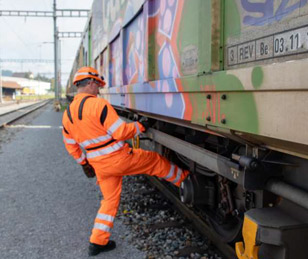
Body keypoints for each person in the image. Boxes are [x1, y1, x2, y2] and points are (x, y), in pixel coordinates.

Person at [62, 66, 189, 256]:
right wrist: (140, 126)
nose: (99, 90)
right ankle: (185, 181)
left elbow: (70, 145)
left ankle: (97, 242)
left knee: (109, 201)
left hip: (99, 167)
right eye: (98, 85)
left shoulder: (68, 115)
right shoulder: (99, 105)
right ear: (90, 83)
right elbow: (120, 132)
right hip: (118, 159)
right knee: (154, 161)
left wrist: (83, 163)